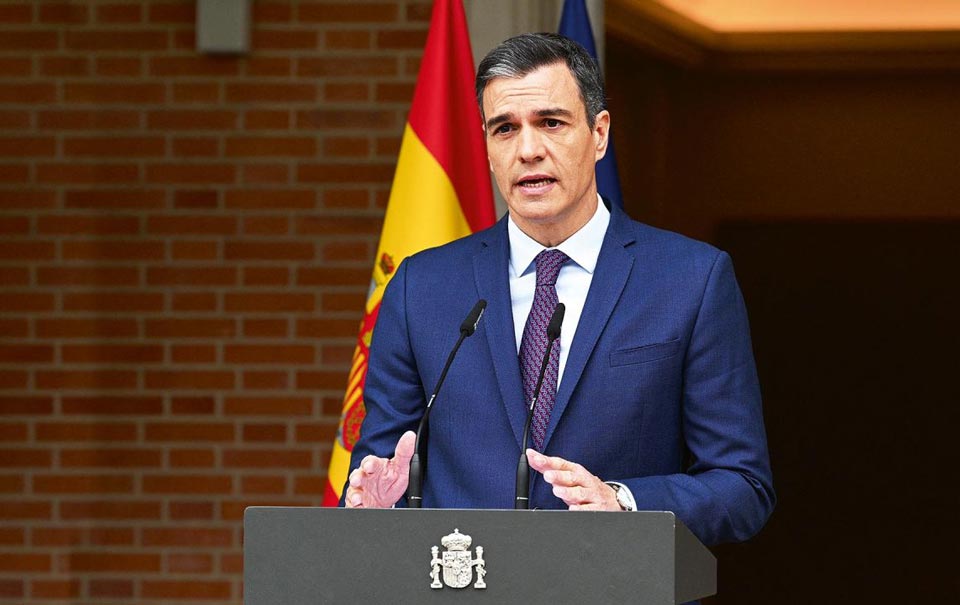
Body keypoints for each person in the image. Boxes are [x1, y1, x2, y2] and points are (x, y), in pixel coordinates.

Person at [342, 33, 774, 547]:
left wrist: (622, 502)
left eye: (551, 122)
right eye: (505, 128)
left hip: (612, 579)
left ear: (599, 134)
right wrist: (375, 502)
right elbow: (381, 465)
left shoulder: (691, 279)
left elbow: (741, 486)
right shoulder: (421, 288)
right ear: (487, 147)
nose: (528, 150)